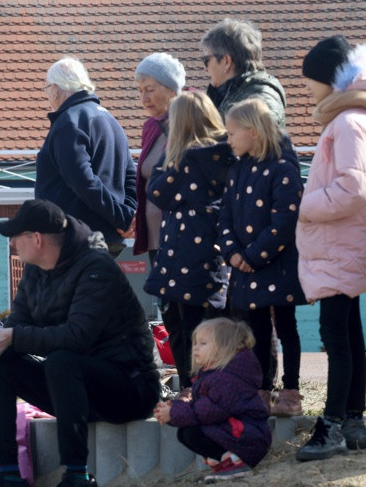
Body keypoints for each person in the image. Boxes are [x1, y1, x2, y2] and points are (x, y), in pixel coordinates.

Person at [0, 199, 160, 487]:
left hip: (130, 388)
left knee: (62, 359)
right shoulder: (35, 272)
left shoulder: (97, 268)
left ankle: (78, 479)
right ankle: (10, 481)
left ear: (37, 238)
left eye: (16, 236)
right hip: (74, 389)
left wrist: (13, 336)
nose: (12, 243)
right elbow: (19, 328)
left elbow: (77, 337)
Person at [294, 37, 366, 460]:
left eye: (312, 80)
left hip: (339, 243)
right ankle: (353, 420)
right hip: (344, 242)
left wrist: (303, 206)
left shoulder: (349, 121)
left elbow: (353, 188)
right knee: (349, 333)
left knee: (336, 336)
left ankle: (332, 424)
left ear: (331, 79)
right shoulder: (355, 116)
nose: (308, 90)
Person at [144, 92, 235, 396]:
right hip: (217, 254)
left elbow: (157, 192)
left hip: (185, 255)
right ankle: (217, 385)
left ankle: (193, 388)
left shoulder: (185, 160)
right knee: (215, 325)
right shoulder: (228, 155)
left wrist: (171, 154)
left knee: (187, 326)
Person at [220, 98, 303, 415]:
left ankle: (292, 391)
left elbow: (284, 222)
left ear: (252, 132)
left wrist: (252, 256)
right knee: (256, 334)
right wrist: (232, 253)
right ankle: (261, 390)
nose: (228, 140)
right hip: (245, 268)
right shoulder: (237, 171)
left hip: (277, 268)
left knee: (286, 328)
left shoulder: (283, 170)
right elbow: (224, 216)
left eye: (231, 133)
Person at [35, 57, 137, 256]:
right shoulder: (111, 120)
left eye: (47, 88)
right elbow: (131, 175)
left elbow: (83, 181)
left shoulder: (68, 122)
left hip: (75, 240)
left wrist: (123, 219)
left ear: (55, 88)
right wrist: (129, 217)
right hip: (109, 238)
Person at [153, 317, 271, 481]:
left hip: (246, 438)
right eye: (195, 343)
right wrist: (174, 410)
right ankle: (225, 461)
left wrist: (174, 413)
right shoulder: (216, 374)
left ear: (224, 347)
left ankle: (234, 463)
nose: (195, 348)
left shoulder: (226, 378)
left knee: (191, 432)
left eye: (203, 343)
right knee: (186, 432)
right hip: (242, 434)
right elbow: (202, 408)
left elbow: (207, 410)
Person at [132, 53, 185, 260]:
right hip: (156, 241)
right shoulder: (151, 127)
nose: (144, 99)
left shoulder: (190, 122)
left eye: (150, 90)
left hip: (182, 240)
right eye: (140, 91)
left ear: (171, 89)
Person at [200, 18, 288, 129]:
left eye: (206, 60)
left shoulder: (262, 96)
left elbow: (255, 134)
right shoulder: (232, 92)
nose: (205, 69)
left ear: (226, 61)